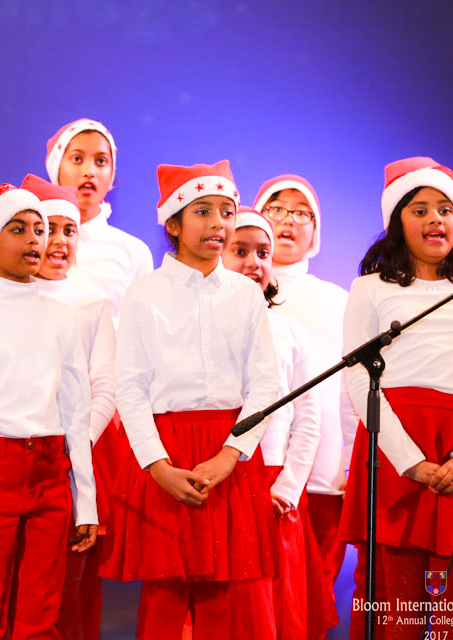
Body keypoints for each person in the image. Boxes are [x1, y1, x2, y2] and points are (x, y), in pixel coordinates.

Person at [340, 157, 453, 640]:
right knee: (397, 609)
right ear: (397, 222)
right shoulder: (369, 289)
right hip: (395, 449)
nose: (435, 219)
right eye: (419, 210)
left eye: (444, 209)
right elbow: (357, 378)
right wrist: (410, 462)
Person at [101, 161, 279, 639]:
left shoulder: (246, 295)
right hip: (167, 448)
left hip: (230, 449)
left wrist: (231, 454)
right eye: (203, 211)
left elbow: (266, 385)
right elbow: (130, 388)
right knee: (165, 596)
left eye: (227, 211)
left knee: (225, 597)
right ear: (174, 225)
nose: (218, 223)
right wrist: (157, 466)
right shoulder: (144, 294)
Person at [0, 183, 97, 638]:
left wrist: (86, 502)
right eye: (18, 229)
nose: (35, 239)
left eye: (39, 229)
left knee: (41, 611)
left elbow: (77, 412)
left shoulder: (62, 317)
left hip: (50, 470)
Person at [222, 208, 338, 639]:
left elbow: (307, 419)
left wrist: (288, 488)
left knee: (276, 608)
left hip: (274, 489)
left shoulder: (290, 332)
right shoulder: (202, 327)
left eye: (263, 253)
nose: (253, 262)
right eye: (240, 251)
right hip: (224, 483)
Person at [21, 173, 118, 640]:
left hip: (79, 461)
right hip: (18, 457)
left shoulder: (92, 305)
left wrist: (76, 443)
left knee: (71, 587)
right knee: (18, 583)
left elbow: (106, 386)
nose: (59, 241)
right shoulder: (2, 300)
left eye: (69, 230)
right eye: (47, 229)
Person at [254, 174, 354, 587]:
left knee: (314, 590)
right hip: (256, 465)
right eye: (276, 209)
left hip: (324, 470)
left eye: (301, 213)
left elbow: (354, 388)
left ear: (315, 231)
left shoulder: (339, 300)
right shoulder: (236, 293)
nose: (288, 221)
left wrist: (350, 461)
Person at [45, 118, 153, 326]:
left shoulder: (134, 252)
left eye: (101, 161)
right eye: (77, 159)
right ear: (57, 168)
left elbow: (144, 331)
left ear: (112, 173)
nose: (89, 171)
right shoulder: (34, 246)